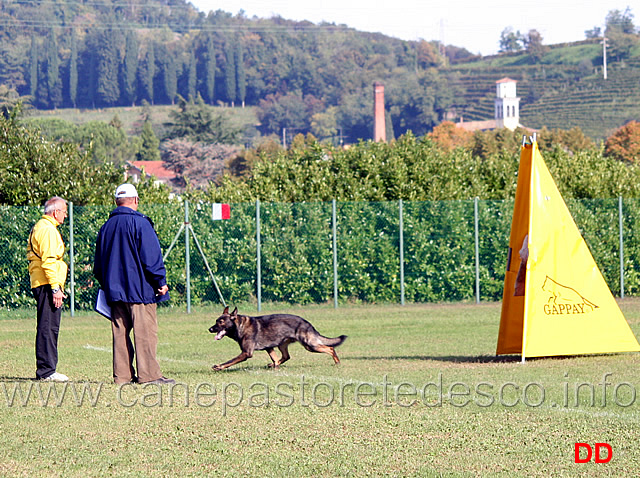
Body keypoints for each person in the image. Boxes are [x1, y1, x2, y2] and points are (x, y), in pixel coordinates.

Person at [93, 184, 175, 385]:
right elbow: (151, 257)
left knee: (120, 334)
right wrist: (160, 281)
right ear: (136, 200)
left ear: (116, 202)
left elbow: (98, 265)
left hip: (114, 292)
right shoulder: (141, 223)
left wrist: (108, 284)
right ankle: (149, 376)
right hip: (140, 290)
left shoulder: (106, 227)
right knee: (145, 333)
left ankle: (122, 376)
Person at [27, 196, 69, 381]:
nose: (65, 216)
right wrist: (55, 288)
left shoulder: (42, 227)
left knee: (49, 325)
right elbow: (49, 261)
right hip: (47, 284)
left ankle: (47, 369)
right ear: (55, 212)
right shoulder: (48, 230)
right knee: (48, 327)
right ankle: (46, 371)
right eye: (64, 212)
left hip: (42, 282)